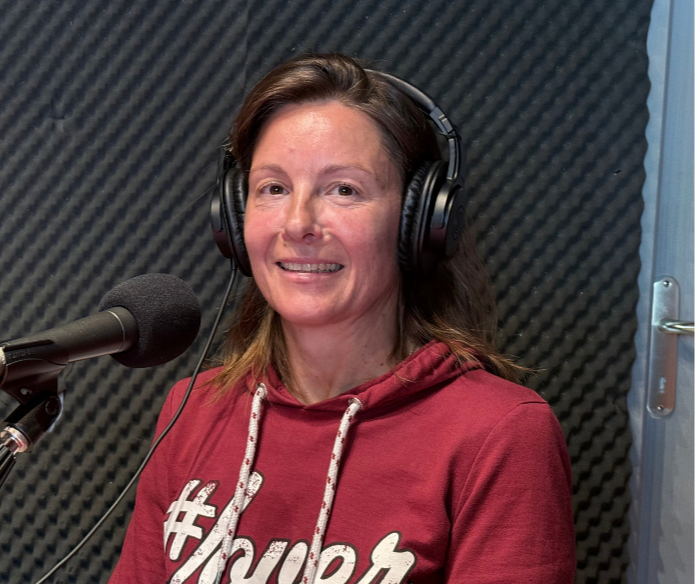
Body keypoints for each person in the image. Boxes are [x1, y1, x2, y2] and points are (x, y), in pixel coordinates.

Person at [108, 53, 575, 584]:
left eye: (344, 190)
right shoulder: (195, 410)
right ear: (235, 219)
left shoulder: (500, 432)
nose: (298, 224)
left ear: (420, 219)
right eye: (274, 188)